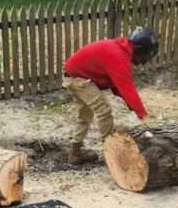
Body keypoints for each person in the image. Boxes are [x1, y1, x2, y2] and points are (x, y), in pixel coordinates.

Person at [62, 26, 161, 165]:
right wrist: (143, 115)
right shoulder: (119, 57)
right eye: (146, 54)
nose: (145, 58)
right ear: (140, 49)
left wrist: (128, 101)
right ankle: (111, 152)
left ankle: (75, 152)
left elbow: (116, 83)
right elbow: (128, 88)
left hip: (75, 76)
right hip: (78, 79)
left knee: (85, 116)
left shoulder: (120, 51)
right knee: (104, 111)